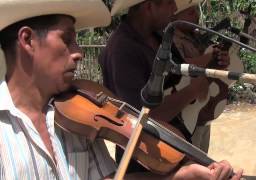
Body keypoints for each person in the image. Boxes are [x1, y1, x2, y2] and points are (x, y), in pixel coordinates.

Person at [0, 0, 242, 179]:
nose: (79, 52)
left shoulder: (74, 116)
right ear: (27, 40)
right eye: (67, 39)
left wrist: (183, 175)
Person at [99, 0, 237, 176]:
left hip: (175, 147)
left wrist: (213, 64)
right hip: (147, 163)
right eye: (170, 2)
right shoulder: (122, 49)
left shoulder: (158, 36)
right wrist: (192, 91)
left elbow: (181, 72)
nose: (174, 8)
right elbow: (140, 118)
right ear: (149, 6)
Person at [172, 0, 230, 153]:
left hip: (204, 109)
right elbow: (179, 65)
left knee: (203, 157)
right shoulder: (171, 38)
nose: (197, 15)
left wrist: (221, 60)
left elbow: (211, 62)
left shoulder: (195, 36)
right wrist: (209, 57)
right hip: (187, 113)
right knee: (193, 160)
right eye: (191, 12)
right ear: (176, 16)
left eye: (196, 11)